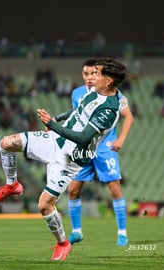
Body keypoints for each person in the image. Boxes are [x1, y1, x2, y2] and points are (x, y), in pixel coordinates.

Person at [0, 57, 126, 261]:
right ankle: (12, 185)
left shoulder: (109, 110)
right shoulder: (94, 92)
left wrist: (53, 124)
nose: (92, 77)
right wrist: (59, 119)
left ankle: (63, 243)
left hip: (70, 158)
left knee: (44, 205)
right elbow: (78, 111)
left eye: (97, 74)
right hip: (55, 139)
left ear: (108, 81)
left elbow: (83, 137)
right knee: (6, 143)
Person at [67, 59, 134, 247]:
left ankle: (122, 233)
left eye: (93, 73)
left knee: (114, 189)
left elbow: (128, 116)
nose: (90, 77)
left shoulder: (115, 94)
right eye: (86, 74)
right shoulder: (77, 94)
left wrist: (121, 138)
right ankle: (77, 232)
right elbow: (76, 118)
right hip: (83, 147)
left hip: (105, 148)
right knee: (72, 189)